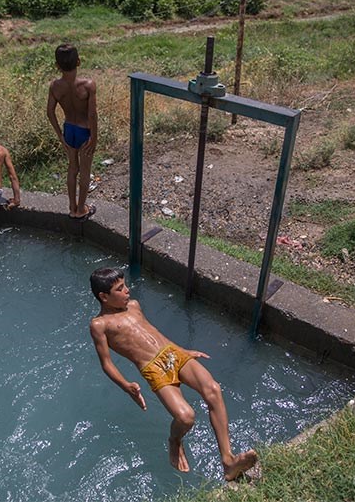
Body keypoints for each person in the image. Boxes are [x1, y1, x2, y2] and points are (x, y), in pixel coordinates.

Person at [88, 267, 259, 481]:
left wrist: (183, 351)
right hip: (153, 367)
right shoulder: (99, 325)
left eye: (125, 285)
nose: (127, 291)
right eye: (120, 289)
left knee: (213, 390)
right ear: (104, 296)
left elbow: (155, 334)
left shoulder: (134, 306)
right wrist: (126, 385)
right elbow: (106, 363)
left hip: (172, 353)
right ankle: (174, 441)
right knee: (185, 417)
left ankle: (228, 461)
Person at [47, 43, 98, 220]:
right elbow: (92, 115)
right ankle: (81, 209)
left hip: (69, 130)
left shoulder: (55, 86)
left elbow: (50, 112)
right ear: (79, 61)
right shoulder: (88, 85)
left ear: (57, 65)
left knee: (72, 168)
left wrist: (60, 136)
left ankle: (71, 207)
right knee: (84, 171)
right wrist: (94, 137)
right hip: (85, 132)